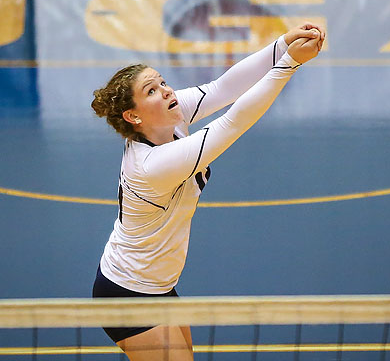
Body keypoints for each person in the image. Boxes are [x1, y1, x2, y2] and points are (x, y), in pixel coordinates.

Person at [90, 24, 326, 360]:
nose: (166, 91)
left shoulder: (169, 118)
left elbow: (223, 88)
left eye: (162, 82)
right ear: (133, 116)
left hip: (158, 286)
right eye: (151, 90)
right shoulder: (151, 166)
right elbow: (233, 122)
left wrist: (282, 43)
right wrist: (289, 64)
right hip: (128, 293)